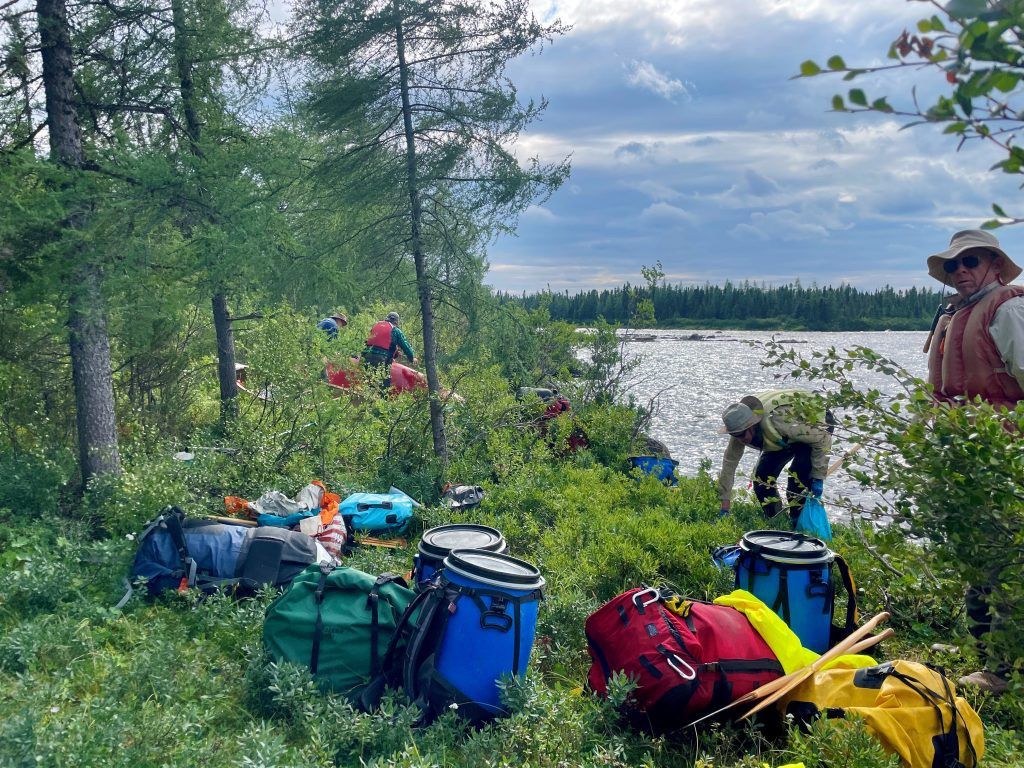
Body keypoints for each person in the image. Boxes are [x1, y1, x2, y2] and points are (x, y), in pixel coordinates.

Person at [923, 229, 1024, 695]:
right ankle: (981, 647)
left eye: (972, 261)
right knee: (971, 551)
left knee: (1003, 561)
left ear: (995, 266)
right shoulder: (954, 315)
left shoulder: (1008, 309)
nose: (960, 271)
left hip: (1003, 457)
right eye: (953, 266)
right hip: (963, 457)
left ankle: (1002, 671)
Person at [717, 389, 834, 526]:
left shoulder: (778, 421)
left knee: (798, 480)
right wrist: (725, 504)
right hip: (783, 436)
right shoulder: (739, 427)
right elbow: (729, 463)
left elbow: (823, 439)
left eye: (742, 435)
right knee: (762, 479)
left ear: (752, 426)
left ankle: (798, 524)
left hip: (814, 424)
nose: (741, 440)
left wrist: (818, 477)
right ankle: (777, 521)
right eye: (735, 436)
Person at [361, 311, 416, 385]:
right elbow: (406, 347)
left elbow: (369, 341)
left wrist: (395, 353)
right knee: (383, 385)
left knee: (367, 382)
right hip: (381, 360)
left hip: (367, 357)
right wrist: (412, 358)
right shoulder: (395, 330)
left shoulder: (376, 325)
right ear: (396, 322)